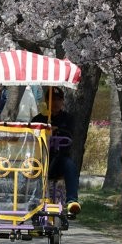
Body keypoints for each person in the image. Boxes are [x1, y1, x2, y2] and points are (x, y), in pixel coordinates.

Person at [32, 87, 82, 217]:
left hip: (59, 160)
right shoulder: (37, 119)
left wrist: (57, 130)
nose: (55, 103)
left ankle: (72, 201)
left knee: (70, 165)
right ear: (46, 101)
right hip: (40, 161)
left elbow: (70, 134)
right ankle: (28, 201)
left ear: (63, 101)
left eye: (58, 100)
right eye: (52, 99)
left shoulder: (68, 119)